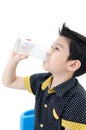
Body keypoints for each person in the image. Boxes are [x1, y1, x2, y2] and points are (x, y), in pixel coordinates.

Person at [2, 23, 86, 130]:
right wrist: (14, 59)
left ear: (73, 65)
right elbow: (9, 81)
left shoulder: (77, 99)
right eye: (51, 46)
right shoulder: (42, 81)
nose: (48, 52)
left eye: (56, 49)